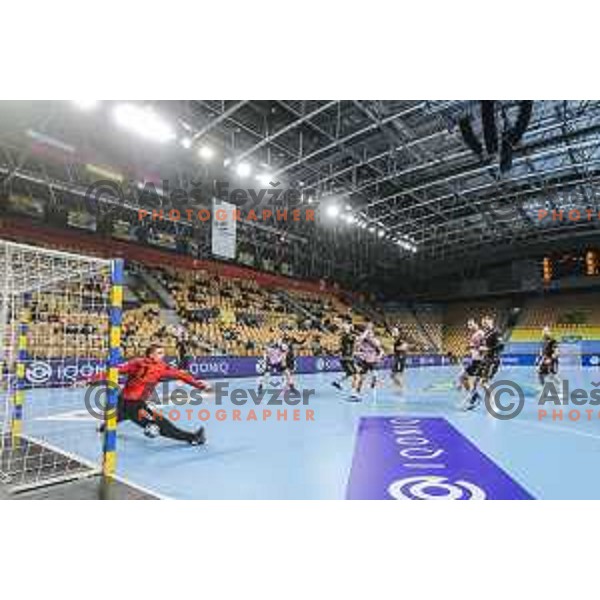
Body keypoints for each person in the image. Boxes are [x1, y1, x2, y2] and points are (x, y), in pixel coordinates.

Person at [83, 344, 210, 445]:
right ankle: (193, 438)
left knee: (123, 414)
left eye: (163, 353)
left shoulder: (160, 366)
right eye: (159, 353)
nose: (163, 355)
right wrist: (90, 380)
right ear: (151, 354)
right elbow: (114, 371)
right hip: (133, 404)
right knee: (162, 424)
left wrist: (200, 386)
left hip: (126, 402)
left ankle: (104, 427)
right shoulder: (139, 363)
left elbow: (182, 375)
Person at [352, 322, 384, 401]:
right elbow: (359, 340)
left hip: (372, 361)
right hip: (365, 361)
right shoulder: (363, 340)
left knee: (375, 375)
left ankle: (373, 386)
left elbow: (382, 351)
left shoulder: (375, 342)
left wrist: (378, 357)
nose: (369, 334)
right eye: (368, 333)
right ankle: (356, 394)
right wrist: (367, 330)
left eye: (371, 333)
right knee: (361, 378)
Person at [459, 318, 485, 410]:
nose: (469, 327)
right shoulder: (473, 335)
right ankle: (475, 396)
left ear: (475, 323)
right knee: (462, 378)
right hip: (474, 361)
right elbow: (474, 349)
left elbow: (484, 347)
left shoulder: (481, 333)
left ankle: (473, 399)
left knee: (473, 382)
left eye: (471, 324)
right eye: (468, 325)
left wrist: (474, 347)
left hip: (480, 361)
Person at [332, 322, 357, 391]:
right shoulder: (347, 337)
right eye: (349, 327)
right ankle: (354, 393)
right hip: (346, 359)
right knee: (356, 376)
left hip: (348, 358)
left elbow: (352, 344)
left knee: (349, 373)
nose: (351, 327)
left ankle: (337, 382)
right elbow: (354, 340)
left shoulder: (346, 336)